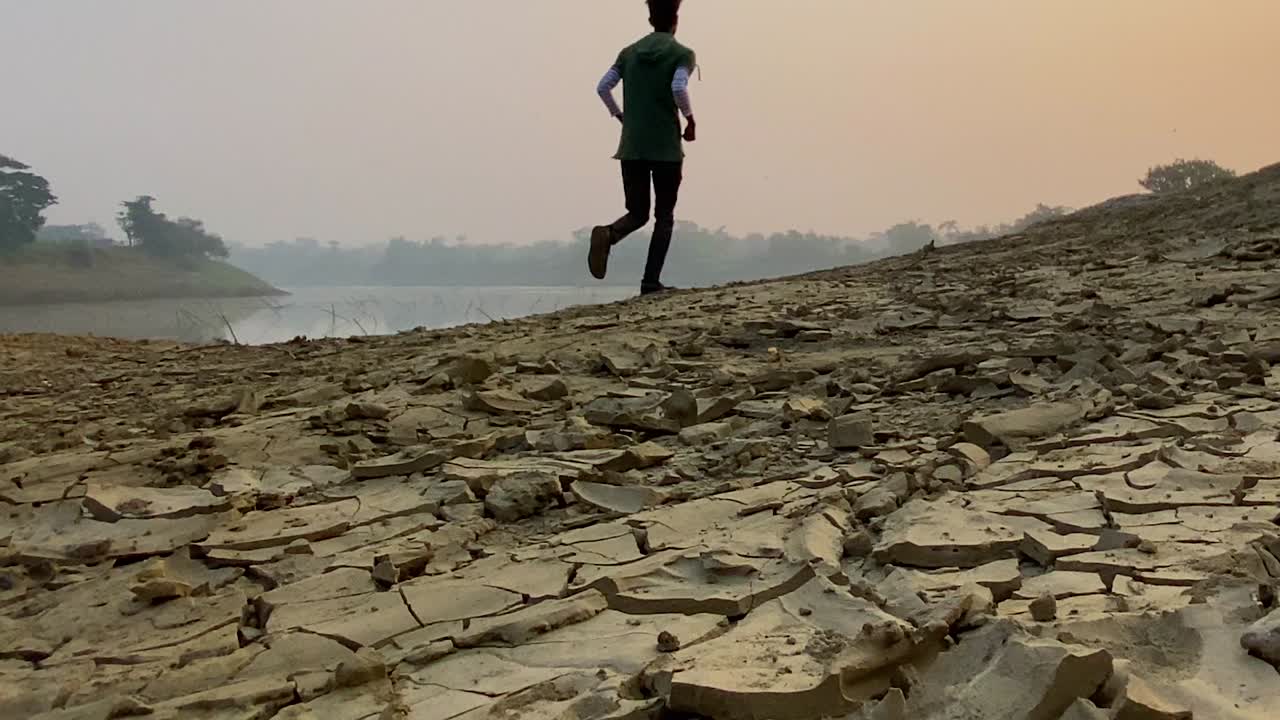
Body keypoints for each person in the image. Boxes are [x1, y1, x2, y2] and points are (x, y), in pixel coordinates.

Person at [589, 0, 696, 296]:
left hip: (632, 146)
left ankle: (609, 234)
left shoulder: (628, 53)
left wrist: (620, 115)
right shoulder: (682, 54)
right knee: (664, 215)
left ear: (650, 20)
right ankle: (650, 282)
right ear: (675, 21)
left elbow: (602, 87)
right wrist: (690, 119)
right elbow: (678, 87)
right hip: (665, 148)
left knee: (638, 213)